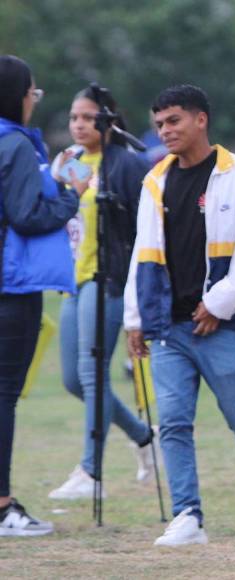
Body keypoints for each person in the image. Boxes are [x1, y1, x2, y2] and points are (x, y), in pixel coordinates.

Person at [124, 84, 235, 546]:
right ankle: (187, 516)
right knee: (173, 422)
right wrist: (135, 318)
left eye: (173, 121)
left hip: (225, 323)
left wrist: (218, 304)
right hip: (169, 324)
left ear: (200, 120)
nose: (165, 131)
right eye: (158, 125)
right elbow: (142, 253)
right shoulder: (154, 179)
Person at [47, 87, 153, 500]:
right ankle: (145, 437)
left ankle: (90, 471)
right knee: (75, 380)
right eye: (74, 117)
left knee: (93, 375)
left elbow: (141, 227)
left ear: (107, 119)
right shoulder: (66, 162)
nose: (78, 124)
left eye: (88, 117)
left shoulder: (126, 165)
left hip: (108, 279)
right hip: (72, 281)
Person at [0, 55, 79, 536]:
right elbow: (27, 215)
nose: (35, 100)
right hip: (12, 288)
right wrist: (70, 195)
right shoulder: (15, 144)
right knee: (4, 394)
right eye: (33, 92)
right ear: (17, 95)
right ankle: (3, 505)